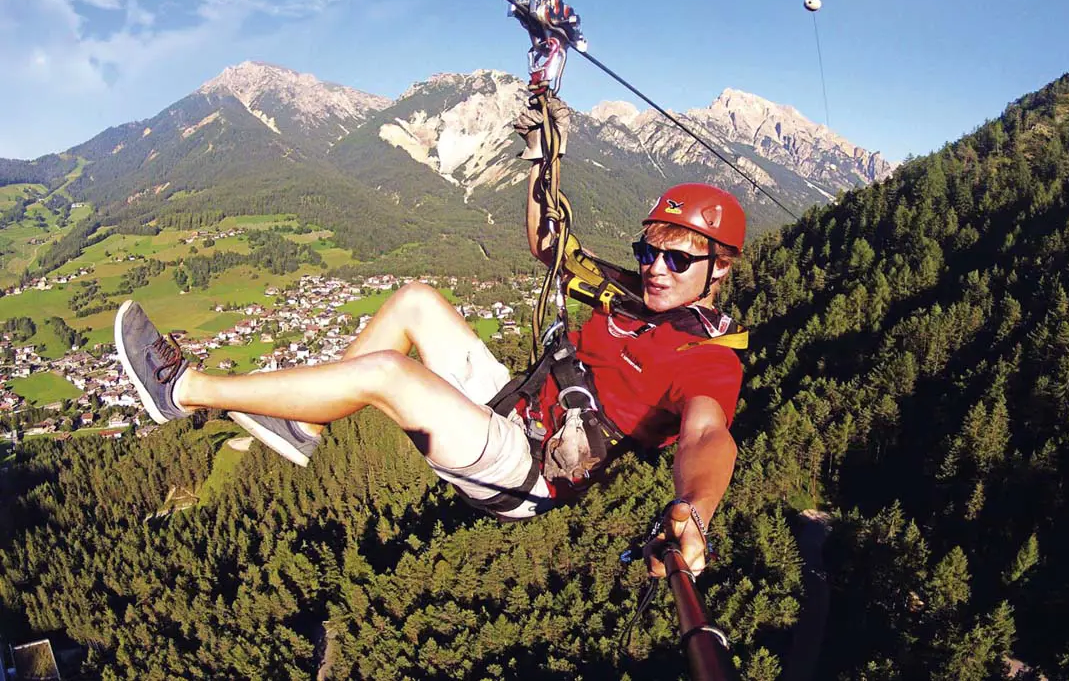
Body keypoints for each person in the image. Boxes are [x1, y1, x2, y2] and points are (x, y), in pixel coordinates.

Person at [113, 98, 747, 577]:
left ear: (719, 267)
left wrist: (693, 510)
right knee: (415, 300)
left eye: (679, 260)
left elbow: (706, 435)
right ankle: (302, 427)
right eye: (649, 251)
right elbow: (547, 244)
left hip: (531, 468)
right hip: (518, 406)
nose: (656, 269)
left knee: (388, 373)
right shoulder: (630, 294)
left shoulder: (708, 355)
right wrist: (540, 159)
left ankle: (185, 390)